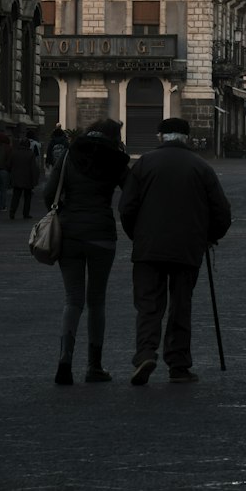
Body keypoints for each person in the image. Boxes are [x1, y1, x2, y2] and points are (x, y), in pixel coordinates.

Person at [119, 116, 232, 386]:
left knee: (148, 305)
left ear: (160, 137)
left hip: (149, 248)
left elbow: (126, 208)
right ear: (187, 138)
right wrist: (208, 237)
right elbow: (222, 212)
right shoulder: (201, 167)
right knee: (181, 305)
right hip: (187, 247)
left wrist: (139, 236)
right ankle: (179, 365)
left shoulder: (143, 164)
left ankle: (146, 353)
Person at [41, 119, 130, 386]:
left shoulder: (70, 154)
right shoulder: (117, 160)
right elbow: (131, 195)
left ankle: (64, 362)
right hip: (102, 234)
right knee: (97, 301)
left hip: (69, 234)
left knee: (73, 300)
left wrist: (66, 209)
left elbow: (48, 193)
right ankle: (94, 366)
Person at [8, 135, 40, 221]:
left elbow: (9, 165)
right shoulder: (30, 154)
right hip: (27, 179)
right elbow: (34, 168)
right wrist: (35, 180)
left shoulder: (14, 153)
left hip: (17, 178)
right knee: (27, 197)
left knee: (16, 196)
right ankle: (26, 213)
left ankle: (12, 212)